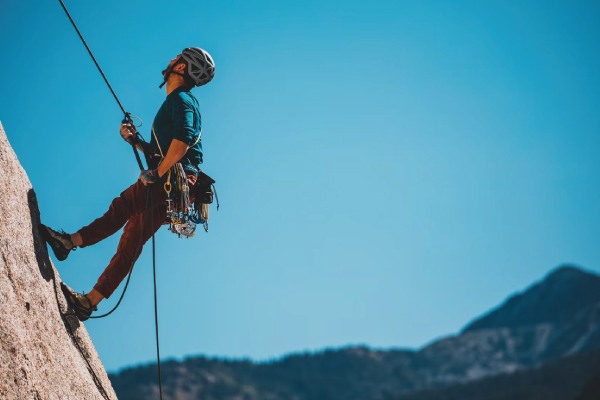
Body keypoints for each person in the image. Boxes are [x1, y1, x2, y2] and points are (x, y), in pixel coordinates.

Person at [40, 47, 216, 321]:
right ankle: (89, 302)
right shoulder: (178, 101)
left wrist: (156, 173)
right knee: (131, 240)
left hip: (173, 179)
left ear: (181, 68)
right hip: (180, 188)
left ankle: (68, 242)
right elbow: (171, 149)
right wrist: (135, 141)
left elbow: (181, 144)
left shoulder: (181, 100)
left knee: (122, 207)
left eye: (176, 58)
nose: (170, 59)